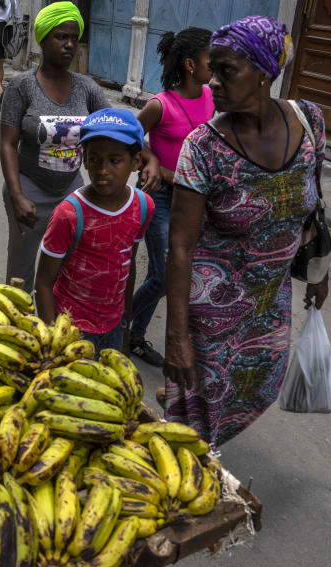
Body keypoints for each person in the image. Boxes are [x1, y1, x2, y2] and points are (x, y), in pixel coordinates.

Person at [163, 16, 328, 448]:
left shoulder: (310, 121)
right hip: (211, 310)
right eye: (211, 70)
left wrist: (318, 273)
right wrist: (177, 337)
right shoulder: (202, 147)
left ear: (263, 72)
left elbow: (311, 208)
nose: (212, 83)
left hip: (269, 304)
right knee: (199, 416)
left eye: (226, 71)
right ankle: (196, 477)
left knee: (256, 387)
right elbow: (179, 247)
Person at [128, 28, 214, 367]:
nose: (217, 67)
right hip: (161, 197)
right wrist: (153, 162)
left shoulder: (211, 95)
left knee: (179, 275)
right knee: (165, 276)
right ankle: (118, 326)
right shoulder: (159, 104)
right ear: (191, 64)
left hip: (195, 200)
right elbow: (130, 137)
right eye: (211, 59)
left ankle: (133, 334)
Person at [34, 109, 154, 351]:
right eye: (94, 159)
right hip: (70, 328)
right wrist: (52, 339)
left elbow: (127, 264)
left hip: (114, 325)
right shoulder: (68, 214)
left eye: (115, 160)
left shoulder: (143, 206)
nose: (103, 169)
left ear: (136, 162)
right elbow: (44, 283)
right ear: (84, 159)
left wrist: (125, 323)